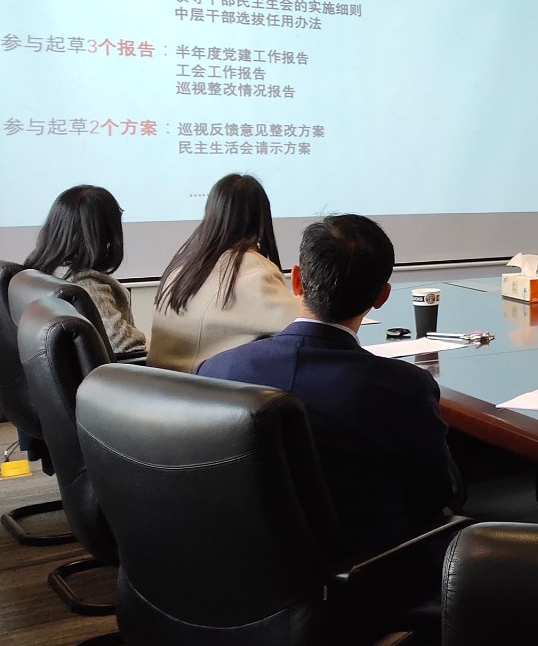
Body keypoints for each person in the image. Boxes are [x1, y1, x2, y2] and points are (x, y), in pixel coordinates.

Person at [197, 214, 461, 561]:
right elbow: (438, 494)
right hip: (372, 570)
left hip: (246, 567)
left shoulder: (216, 370)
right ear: (382, 296)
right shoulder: (406, 387)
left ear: (296, 280)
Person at [148, 173, 298, 372]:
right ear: (260, 217)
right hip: (210, 388)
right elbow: (304, 326)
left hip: (158, 384)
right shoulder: (256, 271)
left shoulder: (181, 266)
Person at [23, 184, 147, 357]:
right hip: (117, 372)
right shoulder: (85, 283)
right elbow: (123, 345)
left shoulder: (41, 273)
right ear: (105, 233)